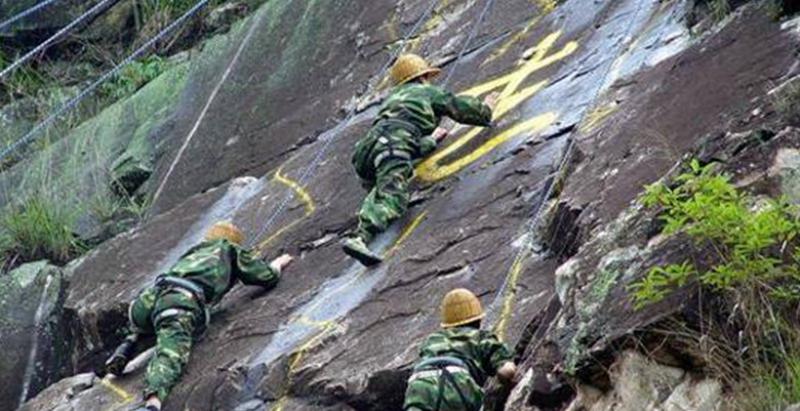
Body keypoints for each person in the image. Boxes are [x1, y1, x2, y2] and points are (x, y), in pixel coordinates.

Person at [101, 221, 294, 411]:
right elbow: (265, 276)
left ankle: (129, 345)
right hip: (180, 302)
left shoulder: (193, 252)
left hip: (147, 303)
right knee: (172, 349)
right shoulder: (229, 249)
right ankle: (152, 404)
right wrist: (277, 264)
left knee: (155, 322)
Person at [342, 54, 499, 266]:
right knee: (393, 196)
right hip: (392, 146)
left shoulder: (392, 100)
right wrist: (486, 109)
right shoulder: (425, 91)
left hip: (367, 151)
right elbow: (458, 106)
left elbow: (407, 141)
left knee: (382, 184)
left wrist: (431, 141)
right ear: (423, 77)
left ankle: (367, 221)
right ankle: (360, 237)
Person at [403, 288, 518, 411]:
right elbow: (507, 371)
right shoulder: (481, 337)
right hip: (457, 380)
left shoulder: (432, 340)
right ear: (478, 319)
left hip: (420, 383)